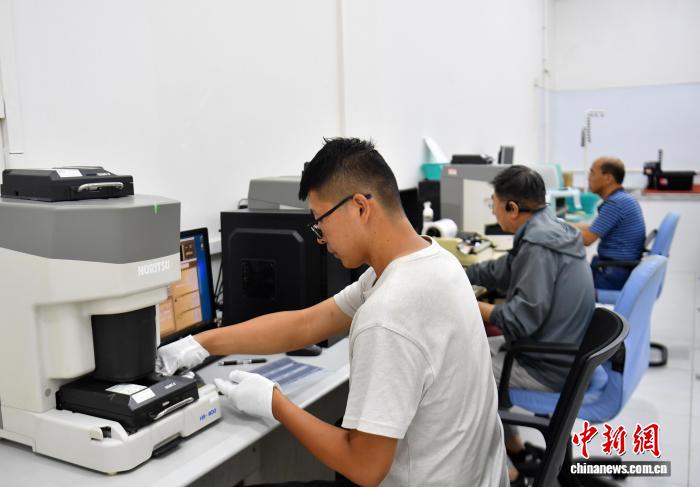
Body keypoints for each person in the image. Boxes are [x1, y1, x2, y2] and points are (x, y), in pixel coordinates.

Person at [157, 138, 508, 486]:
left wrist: (274, 403)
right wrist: (199, 344)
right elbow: (307, 323)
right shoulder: (432, 260)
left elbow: (364, 468)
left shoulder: (387, 315)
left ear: (360, 207)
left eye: (320, 221)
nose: (320, 239)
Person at [466, 165, 595, 483]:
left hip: (547, 365)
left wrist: (466, 301)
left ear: (511, 208)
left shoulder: (538, 246)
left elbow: (518, 321)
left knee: (461, 372)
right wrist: (458, 273)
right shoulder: (550, 229)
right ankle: (515, 448)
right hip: (562, 351)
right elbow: (506, 269)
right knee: (471, 349)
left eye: (494, 204)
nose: (492, 211)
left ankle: (506, 473)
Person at [573, 157, 646, 290]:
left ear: (608, 178)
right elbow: (592, 228)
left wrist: (556, 227)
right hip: (617, 269)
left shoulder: (615, 203)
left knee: (564, 287)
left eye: (592, 173)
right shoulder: (623, 199)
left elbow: (587, 239)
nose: (588, 178)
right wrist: (560, 222)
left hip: (612, 275)